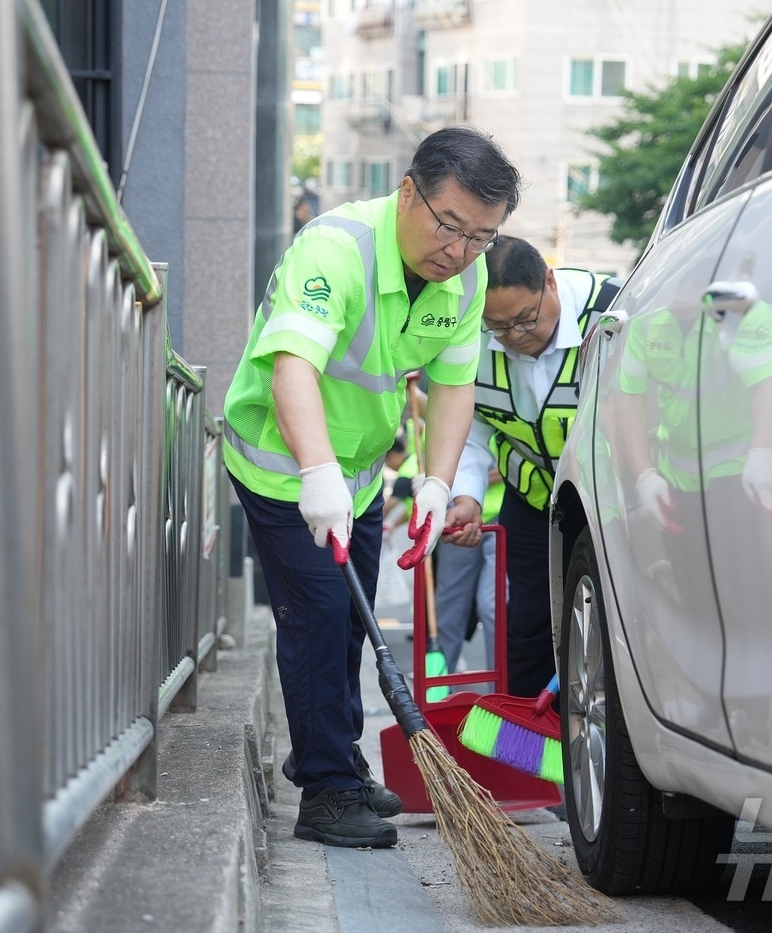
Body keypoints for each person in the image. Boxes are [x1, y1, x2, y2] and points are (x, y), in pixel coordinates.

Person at [223, 125, 522, 848]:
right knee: (318, 617)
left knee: (353, 624)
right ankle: (327, 794)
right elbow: (294, 363)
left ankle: (330, 755)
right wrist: (316, 472)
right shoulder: (337, 248)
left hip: (355, 476)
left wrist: (434, 482)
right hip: (281, 464)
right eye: (450, 226)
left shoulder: (466, 278)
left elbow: (453, 387)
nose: (459, 251)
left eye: (480, 237)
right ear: (409, 193)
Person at [442, 237, 621, 698]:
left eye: (525, 318)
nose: (516, 336)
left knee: (613, 627)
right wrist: (467, 496)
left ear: (549, 281)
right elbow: (472, 428)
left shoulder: (613, 317)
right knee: (526, 627)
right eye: (498, 327)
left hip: (609, 503)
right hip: (533, 500)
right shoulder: (472, 337)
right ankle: (530, 752)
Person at [432, 465, 504, 680]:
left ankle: (500, 696)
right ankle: (438, 694)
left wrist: (441, 483)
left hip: (502, 518)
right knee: (447, 612)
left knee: (494, 607)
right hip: (455, 520)